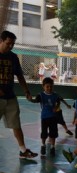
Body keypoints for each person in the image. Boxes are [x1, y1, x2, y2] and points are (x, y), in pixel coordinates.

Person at [0, 30, 38, 159]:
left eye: (13, 44)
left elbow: (20, 76)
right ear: (1, 41)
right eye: (8, 43)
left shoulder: (13, 57)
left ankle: (23, 151)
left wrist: (26, 91)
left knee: (16, 124)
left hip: (10, 97)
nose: (11, 46)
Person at [28, 77, 61, 157]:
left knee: (53, 133)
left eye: (51, 86)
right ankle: (43, 145)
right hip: (44, 117)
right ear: (43, 86)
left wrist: (56, 107)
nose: (49, 88)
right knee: (44, 133)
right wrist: (31, 99)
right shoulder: (41, 95)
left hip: (53, 117)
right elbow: (36, 100)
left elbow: (58, 102)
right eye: (47, 86)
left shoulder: (55, 95)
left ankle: (52, 147)